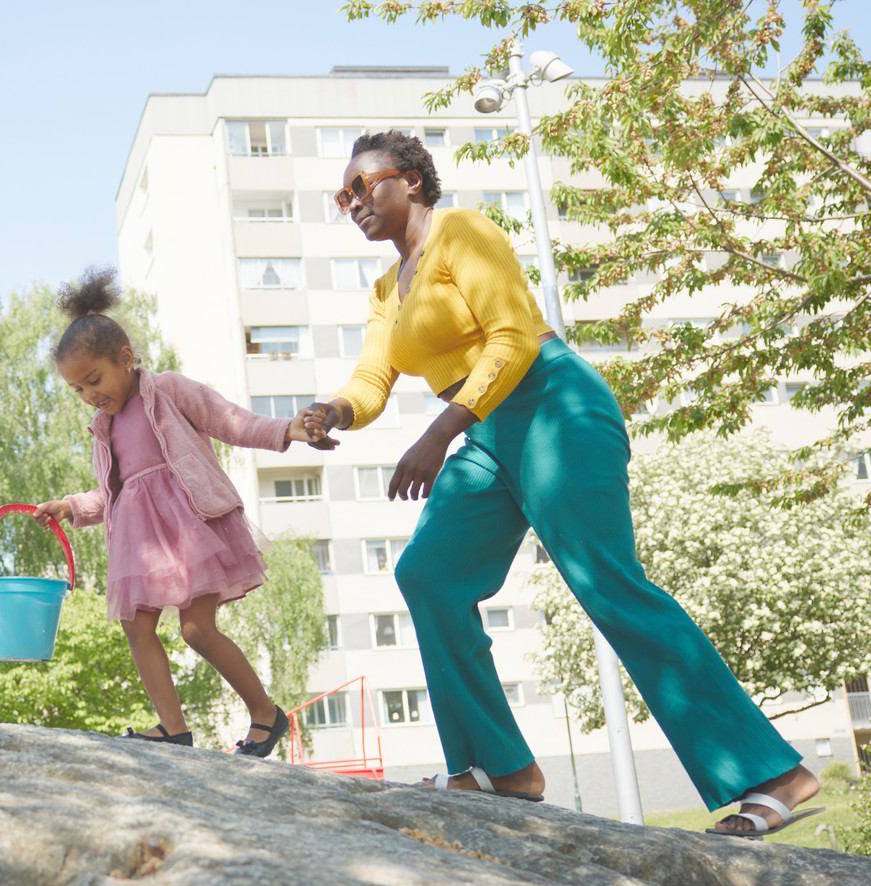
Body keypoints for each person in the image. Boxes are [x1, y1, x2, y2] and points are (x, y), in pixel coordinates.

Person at [300, 131, 820, 836]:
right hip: (482, 429)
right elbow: (371, 379)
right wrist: (332, 411)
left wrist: (440, 431)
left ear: (413, 182)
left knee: (608, 583)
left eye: (365, 185)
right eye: (344, 195)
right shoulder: (388, 288)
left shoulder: (464, 232)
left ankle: (774, 775)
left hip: (551, 406)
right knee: (430, 574)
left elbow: (511, 337)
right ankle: (500, 767)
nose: (354, 202)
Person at [34, 269, 332, 757]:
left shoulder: (167, 390)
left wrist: (286, 431)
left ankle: (266, 715)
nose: (90, 395)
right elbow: (115, 492)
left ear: (126, 359)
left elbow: (228, 419)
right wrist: (71, 506)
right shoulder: (102, 427)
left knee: (196, 629)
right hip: (143, 543)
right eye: (78, 390)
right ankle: (173, 728)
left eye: (94, 380)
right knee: (137, 626)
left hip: (191, 528)